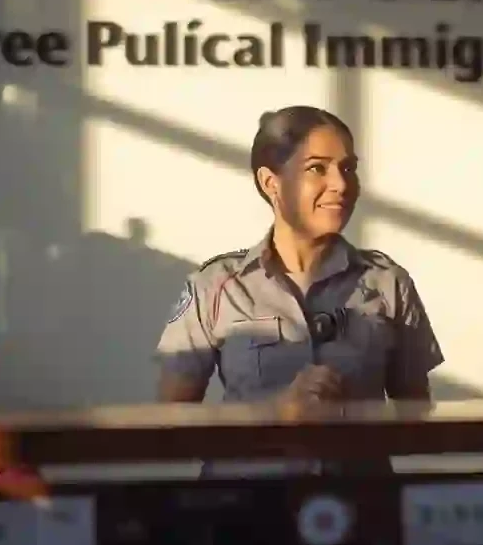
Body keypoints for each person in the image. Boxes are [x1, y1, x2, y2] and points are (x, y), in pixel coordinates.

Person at [154, 106, 444, 474]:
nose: (341, 184)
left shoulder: (389, 283)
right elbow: (167, 428)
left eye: (348, 168)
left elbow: (417, 425)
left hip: (359, 507)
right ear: (270, 183)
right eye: (317, 168)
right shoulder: (215, 286)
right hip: (244, 512)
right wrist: (273, 415)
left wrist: (356, 417)